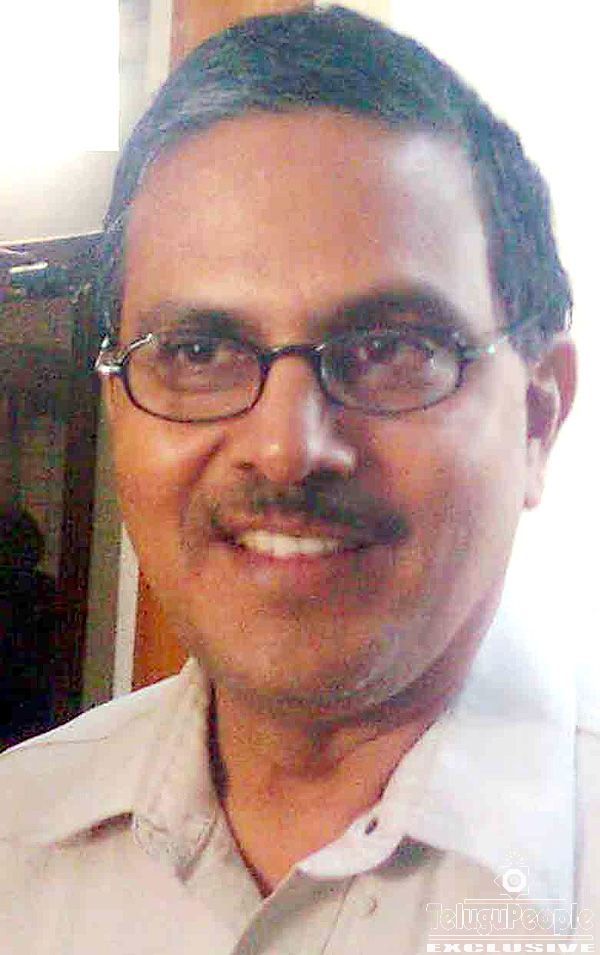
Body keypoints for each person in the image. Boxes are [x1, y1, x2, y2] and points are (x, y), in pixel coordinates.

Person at [0, 7, 593, 952]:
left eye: (391, 348)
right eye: (198, 350)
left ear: (537, 417)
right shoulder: (15, 845)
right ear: (118, 411)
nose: (284, 448)